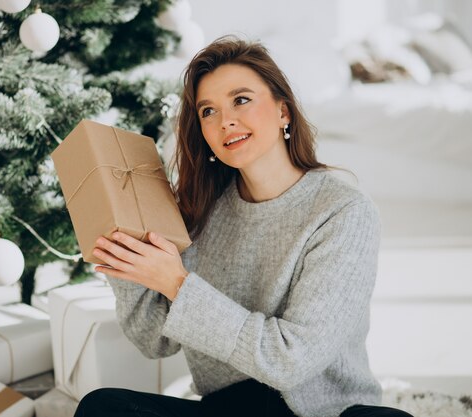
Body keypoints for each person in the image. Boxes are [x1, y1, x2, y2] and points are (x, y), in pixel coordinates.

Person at [75, 36, 413, 417]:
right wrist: (124, 255)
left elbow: (291, 361)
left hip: (322, 414)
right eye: (208, 111)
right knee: (104, 407)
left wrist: (177, 282)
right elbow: (155, 341)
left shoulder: (343, 212)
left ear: (283, 111)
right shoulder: (199, 212)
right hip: (230, 410)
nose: (226, 121)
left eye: (241, 100)